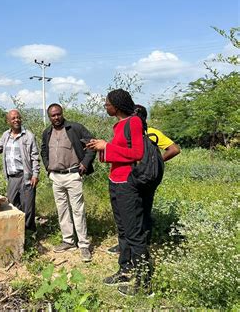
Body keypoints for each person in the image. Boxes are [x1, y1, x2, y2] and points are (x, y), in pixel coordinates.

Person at [87, 89, 153, 296]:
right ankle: (125, 270)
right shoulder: (119, 126)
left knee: (134, 234)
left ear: (117, 104)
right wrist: (101, 149)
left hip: (128, 185)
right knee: (123, 230)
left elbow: (137, 154)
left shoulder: (133, 122)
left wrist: (107, 145)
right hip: (115, 181)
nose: (105, 106)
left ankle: (144, 284)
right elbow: (118, 155)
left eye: (107, 103)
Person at [106, 104, 181, 255]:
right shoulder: (150, 132)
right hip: (140, 178)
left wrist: (155, 162)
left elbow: (174, 149)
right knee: (140, 212)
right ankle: (132, 246)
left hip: (138, 179)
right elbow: (174, 149)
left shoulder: (144, 132)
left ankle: (139, 248)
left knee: (138, 214)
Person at [41, 103, 96, 262]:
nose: (56, 117)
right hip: (56, 177)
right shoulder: (47, 132)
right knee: (62, 210)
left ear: (62, 113)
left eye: (58, 114)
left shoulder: (75, 128)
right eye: (53, 115)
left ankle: (84, 245)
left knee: (78, 210)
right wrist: (48, 167)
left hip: (72, 175)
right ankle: (68, 241)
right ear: (49, 117)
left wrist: (85, 163)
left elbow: (92, 145)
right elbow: (44, 150)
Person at [0, 109, 40, 231]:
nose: (16, 120)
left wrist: (35, 174)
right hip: (12, 178)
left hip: (26, 176)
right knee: (12, 205)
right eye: (13, 118)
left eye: (18, 118)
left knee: (28, 207)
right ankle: (16, 231)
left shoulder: (28, 136)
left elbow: (35, 157)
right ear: (8, 121)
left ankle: (29, 232)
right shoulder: (6, 135)